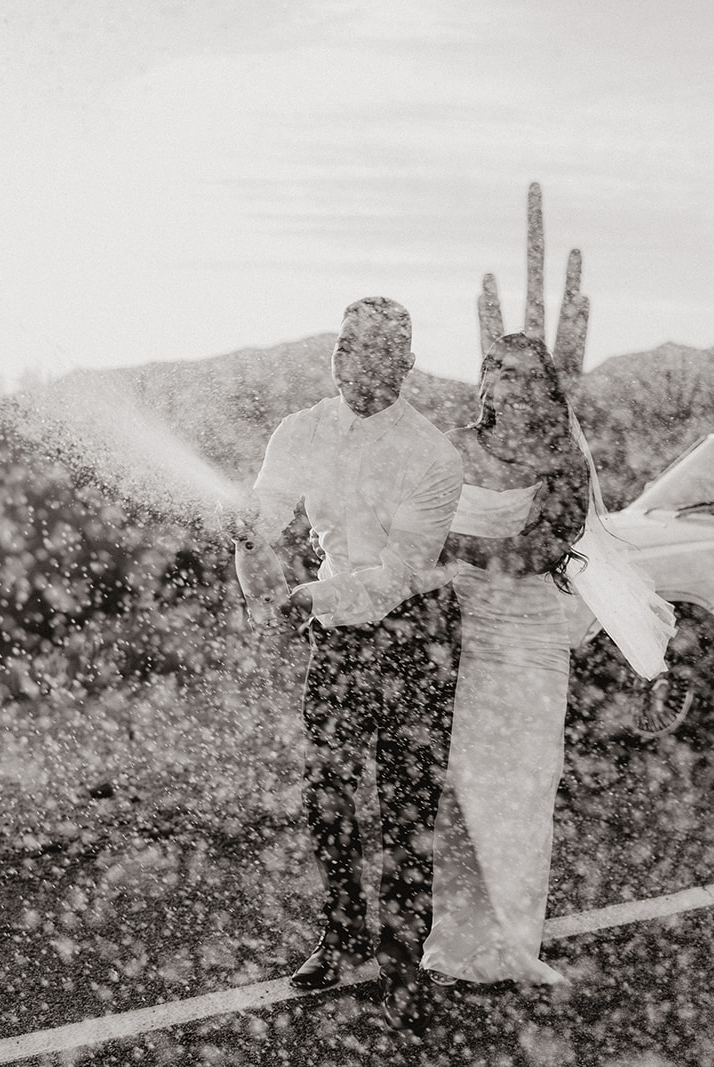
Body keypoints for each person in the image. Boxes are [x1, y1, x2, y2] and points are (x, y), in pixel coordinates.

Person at [247, 296, 463, 1034]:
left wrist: (305, 593)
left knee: (407, 804)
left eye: (380, 349)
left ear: (406, 362)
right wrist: (248, 544)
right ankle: (342, 937)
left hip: (415, 635)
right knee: (329, 795)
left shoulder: (434, 454)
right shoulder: (299, 431)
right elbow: (266, 508)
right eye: (348, 346)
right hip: (337, 638)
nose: (359, 361)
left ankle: (405, 959)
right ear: (335, 354)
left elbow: (400, 571)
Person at [418, 332, 596, 987]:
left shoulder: (564, 460)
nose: (509, 384)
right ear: (484, 379)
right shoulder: (452, 445)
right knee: (462, 795)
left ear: (546, 386)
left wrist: (452, 544)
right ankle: (458, 939)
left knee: (521, 791)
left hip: (528, 637)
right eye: (498, 370)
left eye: (524, 375)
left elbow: (543, 548)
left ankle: (511, 939)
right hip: (461, 634)